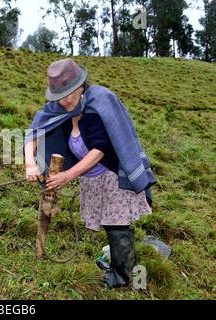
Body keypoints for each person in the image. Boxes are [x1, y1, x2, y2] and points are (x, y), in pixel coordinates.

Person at [24, 58, 156, 289]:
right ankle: (121, 262)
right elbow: (33, 133)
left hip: (112, 174)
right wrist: (30, 165)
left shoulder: (97, 104)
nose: (64, 100)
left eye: (69, 93)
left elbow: (100, 149)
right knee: (111, 223)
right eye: (59, 95)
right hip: (90, 178)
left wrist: (67, 176)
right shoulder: (60, 109)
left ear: (81, 86)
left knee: (117, 223)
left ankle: (123, 278)